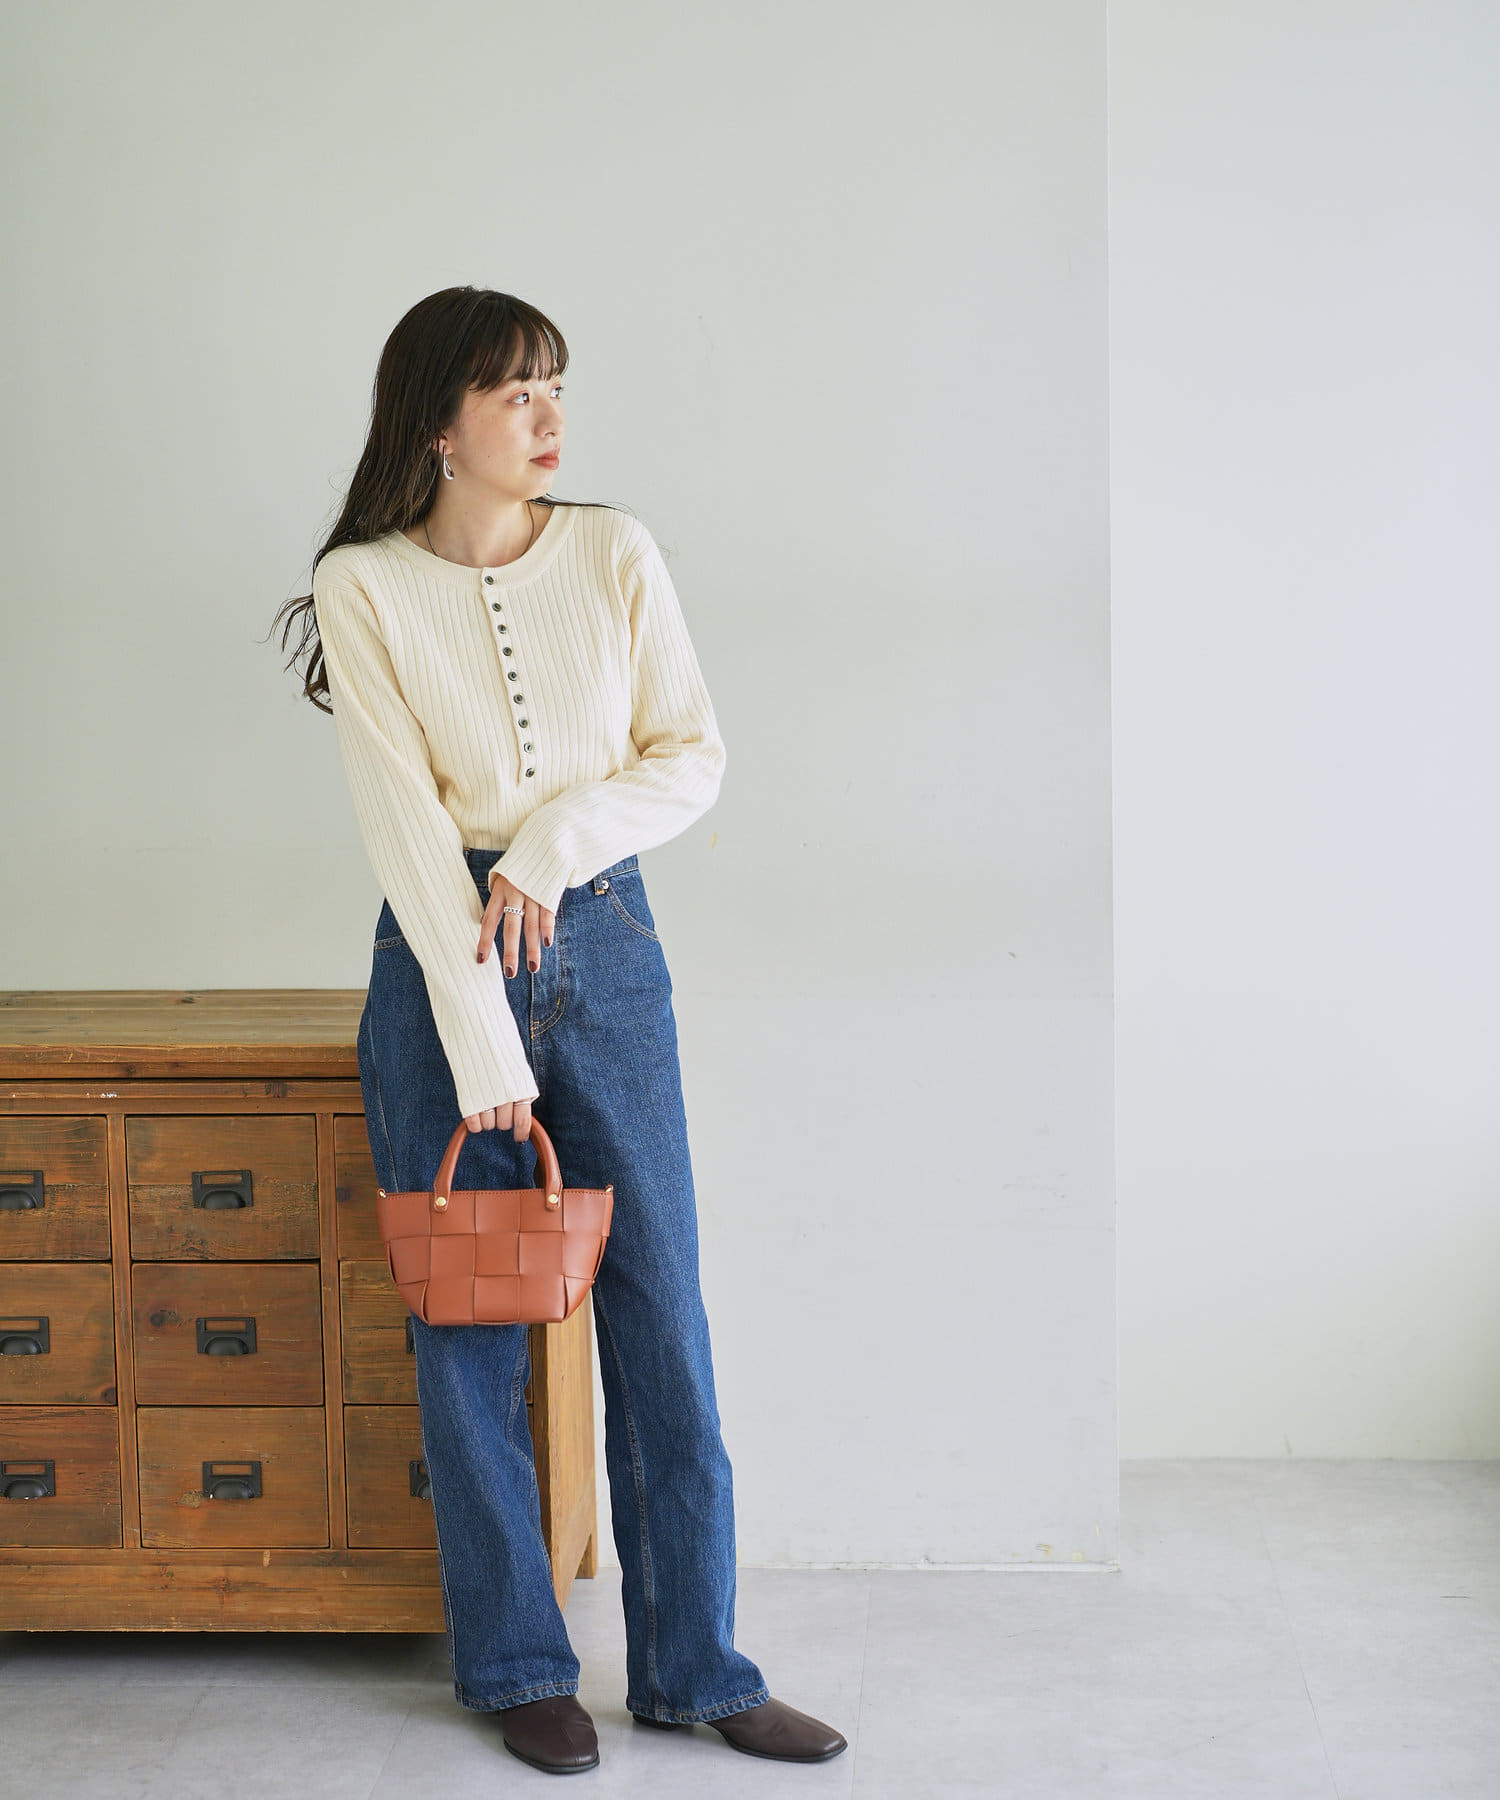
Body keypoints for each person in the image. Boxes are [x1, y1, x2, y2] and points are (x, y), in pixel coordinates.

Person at [275, 287, 847, 1777]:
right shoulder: (362, 585)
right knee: (465, 1326)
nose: (550, 418)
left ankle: (699, 1669)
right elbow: (405, 828)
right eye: (515, 392)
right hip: (439, 962)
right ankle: (518, 1666)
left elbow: (690, 756)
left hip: (605, 940)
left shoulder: (614, 551)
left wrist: (549, 846)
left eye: (555, 386)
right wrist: (482, 1044)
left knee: (661, 1309)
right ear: (439, 421)